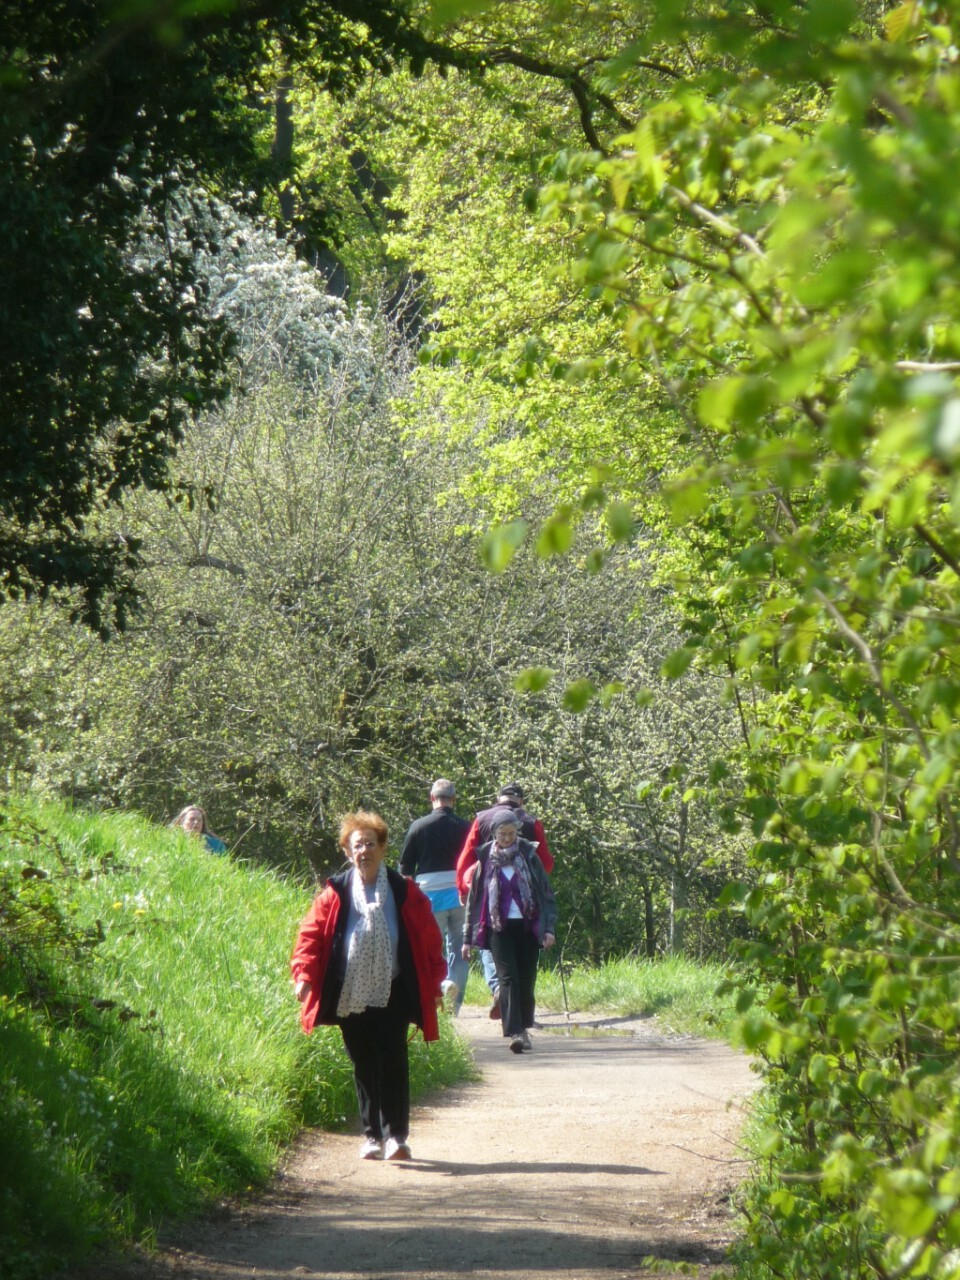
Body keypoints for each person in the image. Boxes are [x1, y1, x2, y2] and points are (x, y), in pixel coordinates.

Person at [291, 811, 446, 1162]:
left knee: (392, 1059)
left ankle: (397, 1137)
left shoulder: (405, 891)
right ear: (348, 851)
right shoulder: (336, 892)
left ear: (383, 848)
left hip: (394, 988)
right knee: (363, 1063)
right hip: (350, 990)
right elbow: (310, 937)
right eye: (357, 845)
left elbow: (428, 938)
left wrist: (435, 982)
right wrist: (303, 975)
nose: (364, 851)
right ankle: (372, 1136)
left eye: (370, 844)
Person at [462, 807, 557, 1054]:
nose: (507, 838)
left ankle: (524, 1026)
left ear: (517, 832)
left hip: (527, 924)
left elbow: (546, 895)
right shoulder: (484, 860)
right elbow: (474, 901)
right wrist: (467, 939)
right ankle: (514, 1032)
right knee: (507, 978)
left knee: (526, 980)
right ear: (494, 834)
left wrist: (549, 929)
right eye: (502, 834)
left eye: (511, 833)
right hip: (498, 927)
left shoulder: (529, 856)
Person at [399, 778, 471, 1015]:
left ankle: (440, 987)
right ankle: (454, 1005)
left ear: (432, 798)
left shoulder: (418, 826)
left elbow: (406, 870)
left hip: (429, 897)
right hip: (461, 894)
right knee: (460, 949)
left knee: (431, 949)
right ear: (454, 799)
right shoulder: (466, 827)